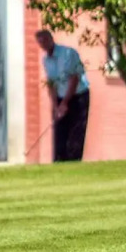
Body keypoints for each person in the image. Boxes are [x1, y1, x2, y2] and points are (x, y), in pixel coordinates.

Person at [36, 29, 89, 161]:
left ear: (51, 39)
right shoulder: (46, 60)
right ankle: (60, 160)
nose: (43, 45)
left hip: (78, 96)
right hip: (60, 98)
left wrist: (65, 103)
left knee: (75, 133)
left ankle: (74, 161)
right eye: (40, 42)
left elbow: (74, 79)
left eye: (45, 41)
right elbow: (51, 83)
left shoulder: (68, 53)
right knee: (59, 133)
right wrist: (56, 106)